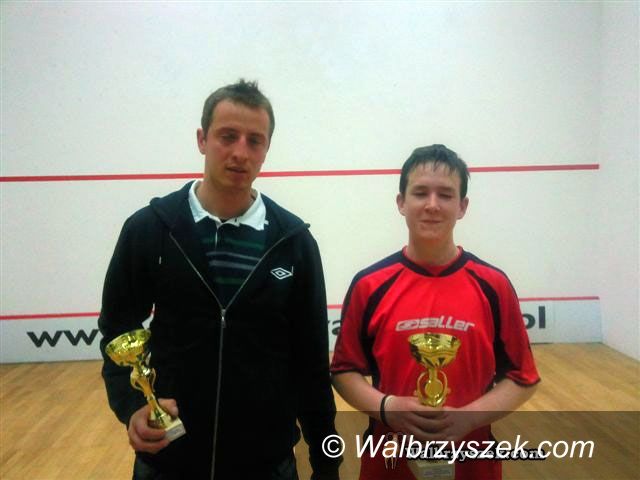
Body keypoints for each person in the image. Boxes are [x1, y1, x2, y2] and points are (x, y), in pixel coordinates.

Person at [99, 79, 341, 480]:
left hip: (267, 464)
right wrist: (132, 405)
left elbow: (310, 361)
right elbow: (117, 327)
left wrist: (327, 462)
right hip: (169, 461)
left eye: (254, 141)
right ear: (202, 139)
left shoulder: (294, 243)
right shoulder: (149, 229)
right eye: (228, 136)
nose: (240, 152)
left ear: (266, 149)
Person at [330, 144, 540, 479]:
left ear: (462, 206)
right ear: (401, 202)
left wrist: (468, 418)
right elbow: (344, 371)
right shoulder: (370, 285)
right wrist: (387, 408)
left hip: (473, 465)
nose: (432, 205)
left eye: (445, 194)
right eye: (420, 193)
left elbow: (523, 377)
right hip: (389, 465)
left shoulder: (493, 285)